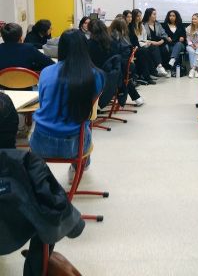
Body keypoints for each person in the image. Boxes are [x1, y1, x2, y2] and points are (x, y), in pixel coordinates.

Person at [29, 29, 104, 177]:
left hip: (40, 142)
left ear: (61, 47)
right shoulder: (95, 75)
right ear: (85, 47)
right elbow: (91, 112)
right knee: (86, 121)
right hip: (74, 145)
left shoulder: (46, 72)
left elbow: (43, 103)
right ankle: (79, 167)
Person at [88, 19, 144, 106]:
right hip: (114, 75)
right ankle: (135, 97)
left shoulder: (89, 44)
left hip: (98, 76)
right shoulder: (112, 42)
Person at [130, 8, 169, 78]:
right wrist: (149, 42)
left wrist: (161, 41)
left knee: (156, 48)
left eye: (140, 16)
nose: (139, 18)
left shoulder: (143, 25)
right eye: (138, 16)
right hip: (139, 45)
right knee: (149, 49)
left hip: (147, 43)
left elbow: (144, 37)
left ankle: (158, 68)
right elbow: (137, 40)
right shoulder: (135, 26)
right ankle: (152, 72)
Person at [143, 7, 171, 73]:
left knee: (164, 49)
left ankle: (165, 68)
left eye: (156, 14)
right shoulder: (143, 25)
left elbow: (164, 35)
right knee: (155, 48)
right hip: (149, 44)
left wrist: (161, 41)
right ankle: (158, 68)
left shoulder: (158, 24)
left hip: (160, 43)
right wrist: (154, 43)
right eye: (154, 14)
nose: (155, 16)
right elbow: (143, 38)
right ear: (149, 15)